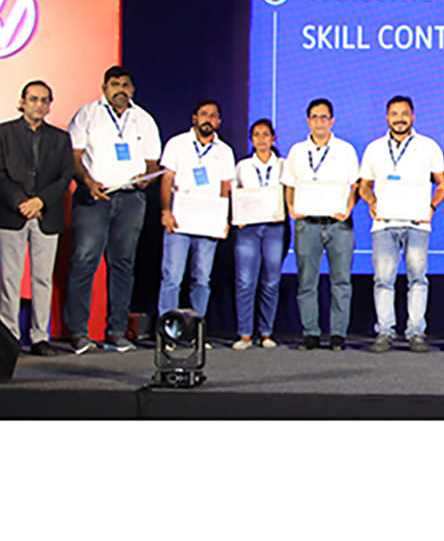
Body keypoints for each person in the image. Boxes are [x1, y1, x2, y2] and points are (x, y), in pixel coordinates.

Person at [64, 66, 162, 354]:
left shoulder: (143, 119)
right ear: (104, 87)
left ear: (133, 89)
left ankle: (116, 331)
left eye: (126, 85)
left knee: (123, 264)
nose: (121, 89)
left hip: (131, 199)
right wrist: (87, 182)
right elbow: (74, 156)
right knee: (84, 261)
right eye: (115, 84)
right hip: (95, 197)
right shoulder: (87, 114)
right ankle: (78, 333)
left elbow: (153, 162)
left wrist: (147, 178)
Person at [0, 80, 74, 355]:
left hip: (46, 215)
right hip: (11, 213)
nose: (39, 105)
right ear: (22, 102)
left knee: (43, 279)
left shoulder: (60, 138)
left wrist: (40, 201)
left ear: (50, 105)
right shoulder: (2, 132)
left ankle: (39, 337)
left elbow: (65, 176)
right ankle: (9, 337)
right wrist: (22, 203)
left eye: (44, 100)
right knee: (10, 278)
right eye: (33, 99)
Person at [359, 95, 444, 354]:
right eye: (395, 114)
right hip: (384, 223)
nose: (400, 119)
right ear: (387, 117)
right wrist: (372, 202)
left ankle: (416, 332)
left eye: (404, 113)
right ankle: (385, 331)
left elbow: (442, 185)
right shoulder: (374, 148)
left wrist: (431, 207)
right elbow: (364, 186)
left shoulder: (428, 146)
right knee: (383, 280)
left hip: (416, 223)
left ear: (413, 116)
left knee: (417, 279)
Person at [281, 98, 359, 351]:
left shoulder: (345, 150)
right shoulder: (297, 151)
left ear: (332, 121)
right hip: (307, 225)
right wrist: (291, 208)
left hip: (338, 225)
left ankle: (338, 334)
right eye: (314, 117)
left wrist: (348, 209)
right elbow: (289, 184)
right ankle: (311, 333)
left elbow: (355, 185)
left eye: (324, 117)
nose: (319, 122)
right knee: (307, 282)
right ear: (308, 121)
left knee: (341, 282)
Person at [157, 100, 236, 329]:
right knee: (172, 278)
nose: (208, 119)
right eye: (204, 114)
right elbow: (167, 179)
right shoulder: (177, 144)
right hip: (179, 219)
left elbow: (225, 188)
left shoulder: (225, 151)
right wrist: (165, 210)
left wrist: (223, 219)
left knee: (202, 279)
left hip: (208, 222)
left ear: (218, 121)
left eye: (213, 115)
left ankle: (196, 332)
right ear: (195, 118)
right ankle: (168, 332)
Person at [231, 119, 287, 350]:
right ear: (251, 139)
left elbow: (290, 192)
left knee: (271, 281)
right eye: (256, 135)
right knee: (245, 281)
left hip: (275, 227)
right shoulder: (243, 166)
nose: (261, 139)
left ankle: (266, 333)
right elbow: (234, 193)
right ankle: (245, 334)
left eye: (266, 134)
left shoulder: (283, 165)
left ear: (273, 138)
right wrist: (237, 216)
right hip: (248, 229)